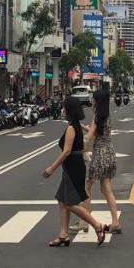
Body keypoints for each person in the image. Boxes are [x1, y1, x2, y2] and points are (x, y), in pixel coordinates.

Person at [43, 97, 107, 246]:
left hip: (73, 166)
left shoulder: (72, 128)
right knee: (62, 198)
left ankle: (97, 226)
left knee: (70, 204)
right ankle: (64, 234)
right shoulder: (75, 125)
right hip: (72, 166)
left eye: (64, 108)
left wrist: (52, 168)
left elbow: (66, 152)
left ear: (68, 110)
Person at [82, 87, 122, 234]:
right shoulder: (107, 117)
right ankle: (115, 222)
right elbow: (97, 132)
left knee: (87, 187)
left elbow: (90, 136)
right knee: (106, 188)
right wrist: (85, 128)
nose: (92, 101)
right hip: (110, 153)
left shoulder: (98, 117)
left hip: (99, 154)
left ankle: (84, 221)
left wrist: (84, 147)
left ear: (97, 101)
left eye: (93, 98)